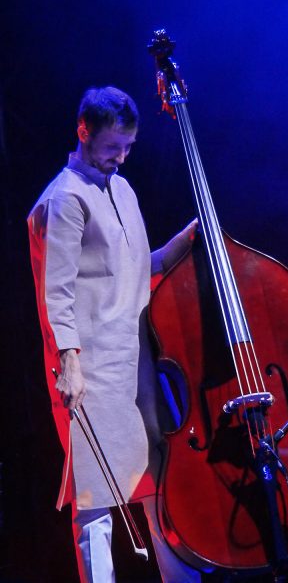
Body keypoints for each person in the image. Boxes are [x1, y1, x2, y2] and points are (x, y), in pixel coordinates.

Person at [27, 86, 201, 582]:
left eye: (128, 148)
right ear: (83, 131)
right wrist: (71, 365)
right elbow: (54, 294)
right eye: (111, 148)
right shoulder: (63, 201)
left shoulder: (121, 188)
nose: (120, 158)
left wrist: (180, 245)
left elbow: (125, 271)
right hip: (92, 370)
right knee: (96, 499)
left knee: (154, 483)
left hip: (136, 361)